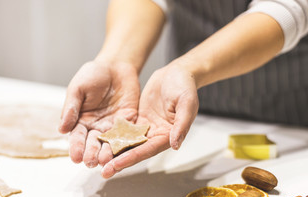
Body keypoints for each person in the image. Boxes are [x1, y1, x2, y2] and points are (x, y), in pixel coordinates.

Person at [59, 0, 308, 178]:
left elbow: (288, 7)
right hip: (186, 108)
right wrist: (116, 60)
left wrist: (188, 68)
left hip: (285, 113)